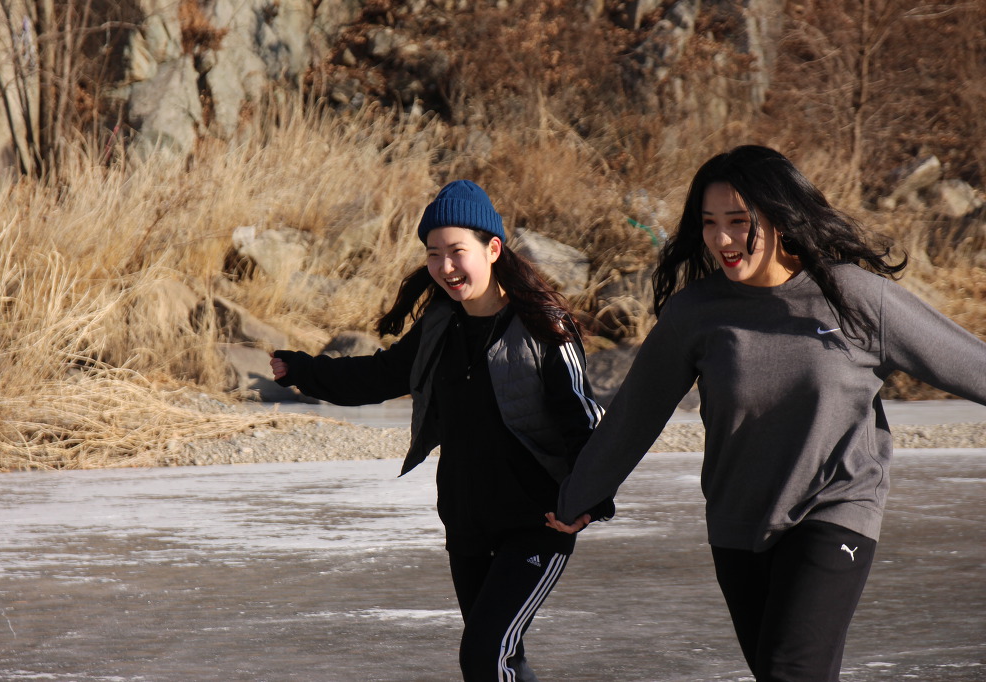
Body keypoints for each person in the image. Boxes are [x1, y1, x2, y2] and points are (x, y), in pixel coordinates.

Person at [546, 145, 986, 681]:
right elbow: (634, 417)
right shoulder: (696, 313)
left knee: (789, 671)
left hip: (835, 512)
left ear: (780, 216)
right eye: (710, 223)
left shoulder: (853, 297)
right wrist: (578, 497)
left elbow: (970, 364)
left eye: (738, 221)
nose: (722, 239)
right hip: (738, 524)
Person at [271, 179, 610, 681]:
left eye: (456, 251)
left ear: (492, 249)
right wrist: (305, 371)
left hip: (537, 524)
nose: (445, 267)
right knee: (500, 658)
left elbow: (582, 418)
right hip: (467, 521)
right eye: (434, 254)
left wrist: (589, 500)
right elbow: (380, 376)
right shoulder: (440, 324)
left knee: (486, 654)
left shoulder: (545, 327)